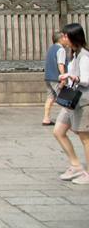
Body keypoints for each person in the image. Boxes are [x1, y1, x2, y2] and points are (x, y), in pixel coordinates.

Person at [52, 23, 89, 184]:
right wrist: (68, 75)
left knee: (85, 138)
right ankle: (75, 165)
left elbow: (86, 80)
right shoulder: (73, 54)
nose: (64, 38)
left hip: (82, 100)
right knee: (58, 131)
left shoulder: (84, 56)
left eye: (66, 35)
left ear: (74, 37)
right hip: (71, 99)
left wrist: (74, 77)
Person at [43, 30, 69, 126]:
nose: (67, 40)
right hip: (56, 78)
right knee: (64, 99)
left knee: (50, 98)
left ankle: (46, 118)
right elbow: (60, 64)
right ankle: (66, 120)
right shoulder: (61, 49)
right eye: (65, 38)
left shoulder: (51, 48)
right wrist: (63, 78)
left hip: (48, 77)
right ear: (61, 38)